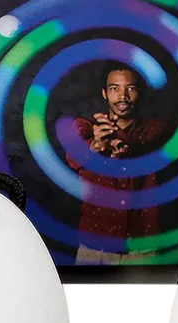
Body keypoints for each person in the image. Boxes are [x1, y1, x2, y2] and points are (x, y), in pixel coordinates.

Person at [65, 63, 167, 262]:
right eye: (114, 88)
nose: (123, 96)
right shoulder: (85, 128)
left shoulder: (156, 129)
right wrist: (95, 145)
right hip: (95, 245)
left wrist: (121, 144)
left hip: (142, 247)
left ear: (140, 92)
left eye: (131, 88)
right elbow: (74, 158)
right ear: (104, 93)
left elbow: (153, 148)